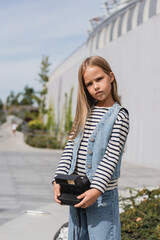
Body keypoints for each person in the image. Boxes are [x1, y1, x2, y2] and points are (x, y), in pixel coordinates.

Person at [53, 56, 129, 240]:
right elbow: (69, 149)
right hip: (77, 193)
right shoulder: (83, 114)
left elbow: (111, 157)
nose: (95, 86)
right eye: (89, 83)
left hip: (101, 197)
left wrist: (95, 191)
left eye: (99, 79)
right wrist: (58, 180)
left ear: (111, 77)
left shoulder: (119, 116)